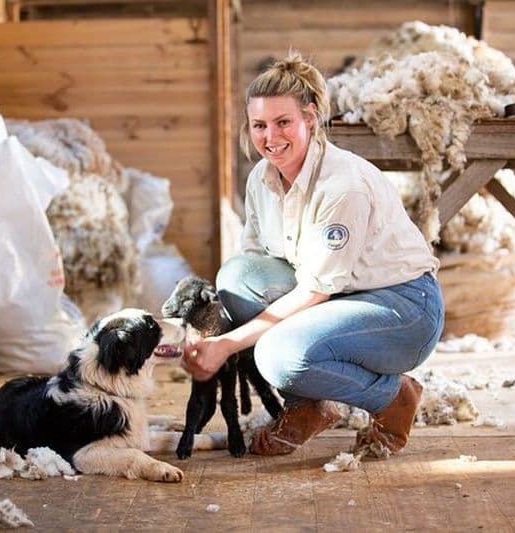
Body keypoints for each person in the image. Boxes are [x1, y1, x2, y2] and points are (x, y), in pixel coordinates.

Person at [182, 51, 445, 456]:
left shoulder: (342, 187)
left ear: (310, 117)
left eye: (283, 122)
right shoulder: (262, 178)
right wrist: (202, 327)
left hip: (405, 308)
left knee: (279, 356)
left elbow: (314, 292)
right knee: (236, 278)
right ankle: (310, 405)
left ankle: (394, 397)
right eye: (259, 125)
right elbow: (256, 267)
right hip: (344, 295)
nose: (271, 138)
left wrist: (228, 345)